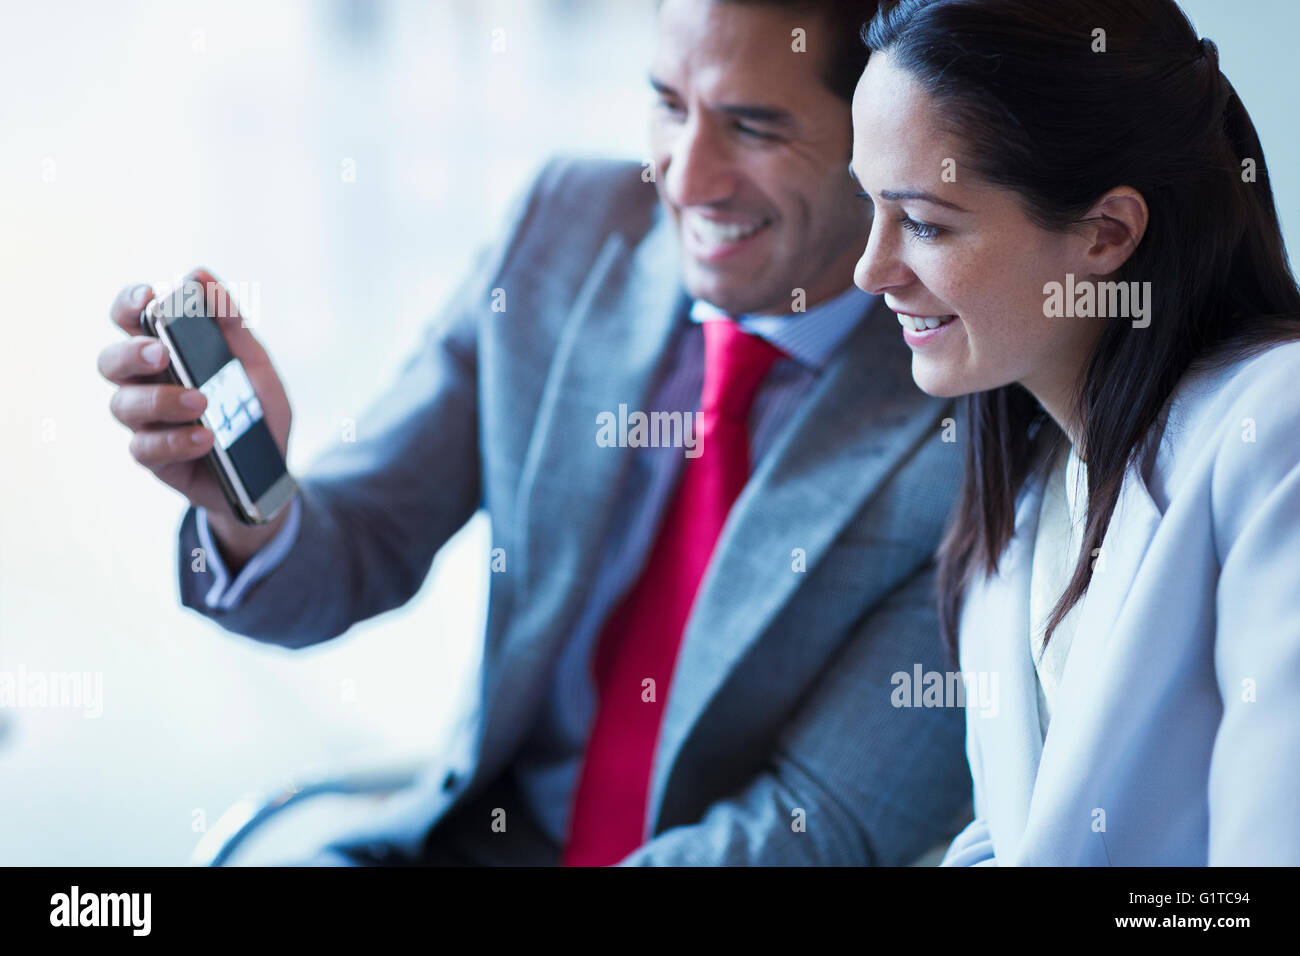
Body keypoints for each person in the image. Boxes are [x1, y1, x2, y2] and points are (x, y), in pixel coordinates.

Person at [98, 0, 971, 866]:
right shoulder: (568, 226)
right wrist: (249, 509)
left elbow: (822, 828)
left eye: (752, 128)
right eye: (669, 105)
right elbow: (363, 544)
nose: (684, 176)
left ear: (878, 139)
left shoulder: (967, 419)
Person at [850, 0, 1300, 865]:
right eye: (868, 204)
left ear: (1106, 234)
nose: (871, 269)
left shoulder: (1272, 432)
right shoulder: (1026, 493)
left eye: (925, 223)